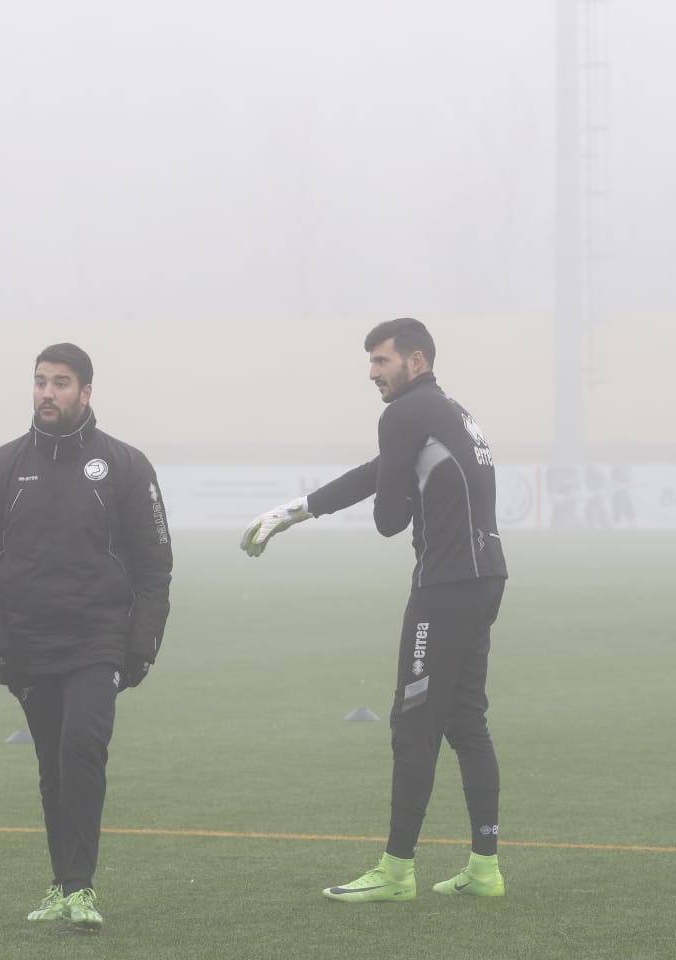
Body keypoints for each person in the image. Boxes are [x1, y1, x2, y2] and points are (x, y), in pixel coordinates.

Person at [240, 317, 509, 903]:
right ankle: (485, 869)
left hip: (445, 585)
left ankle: (396, 871)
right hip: (486, 577)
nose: (371, 373)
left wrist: (399, 493)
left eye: (381, 361)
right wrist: (296, 510)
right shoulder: (447, 410)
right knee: (466, 721)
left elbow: (389, 520)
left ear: (416, 361)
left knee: (414, 723)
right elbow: (379, 471)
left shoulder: (404, 414)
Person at [0, 342, 173, 932]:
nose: (46, 393)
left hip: (98, 639)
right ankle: (62, 884)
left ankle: (81, 888)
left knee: (82, 746)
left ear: (85, 392)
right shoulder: (3, 466)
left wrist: (141, 643)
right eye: (39, 381)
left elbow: (156, 565)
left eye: (60, 382)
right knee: (53, 764)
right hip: (28, 643)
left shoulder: (125, 465)